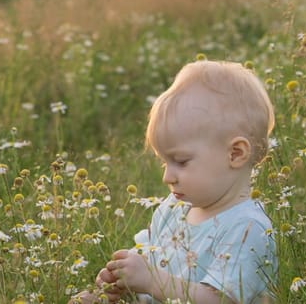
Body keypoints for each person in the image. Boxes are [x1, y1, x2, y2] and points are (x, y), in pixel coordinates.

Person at [74, 61, 277, 304]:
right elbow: (149, 263)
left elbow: (221, 300)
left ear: (235, 154)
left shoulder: (247, 229)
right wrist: (124, 280)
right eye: (164, 162)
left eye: (181, 161)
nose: (167, 177)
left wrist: (151, 280)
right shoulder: (174, 208)